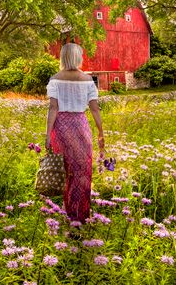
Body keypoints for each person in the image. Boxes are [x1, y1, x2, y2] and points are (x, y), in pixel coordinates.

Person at [45, 43, 104, 224]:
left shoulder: (55, 79)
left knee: (66, 171)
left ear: (63, 57)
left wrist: (48, 135)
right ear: (78, 57)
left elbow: (53, 109)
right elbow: (94, 110)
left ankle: (69, 213)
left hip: (61, 128)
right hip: (81, 125)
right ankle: (81, 216)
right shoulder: (87, 80)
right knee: (82, 171)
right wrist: (101, 132)